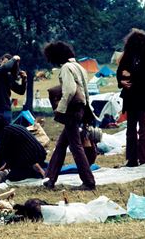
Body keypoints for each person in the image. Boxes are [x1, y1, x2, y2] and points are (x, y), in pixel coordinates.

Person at [42, 41, 96, 191]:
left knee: (76, 146)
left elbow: (70, 90)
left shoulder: (66, 68)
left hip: (72, 110)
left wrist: (60, 109)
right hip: (81, 108)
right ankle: (50, 179)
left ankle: (88, 181)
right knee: (61, 145)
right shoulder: (79, 66)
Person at [116, 28, 145, 167]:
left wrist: (130, 75)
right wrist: (121, 81)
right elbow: (120, 72)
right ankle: (132, 159)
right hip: (130, 97)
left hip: (143, 95)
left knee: (143, 128)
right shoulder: (128, 55)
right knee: (130, 129)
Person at [0, 53, 27, 173]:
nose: (7, 62)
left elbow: (20, 91)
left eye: (9, 60)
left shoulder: (7, 76)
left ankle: (2, 169)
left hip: (6, 110)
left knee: (6, 142)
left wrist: (24, 79)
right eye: (5, 60)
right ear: (0, 60)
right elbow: (5, 67)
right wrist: (14, 59)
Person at [0, 113, 47, 181]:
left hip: (31, 158)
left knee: (12, 178)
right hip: (39, 155)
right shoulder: (13, 128)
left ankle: (37, 171)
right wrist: (7, 165)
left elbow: (1, 153)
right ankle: (38, 167)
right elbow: (13, 152)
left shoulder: (5, 132)